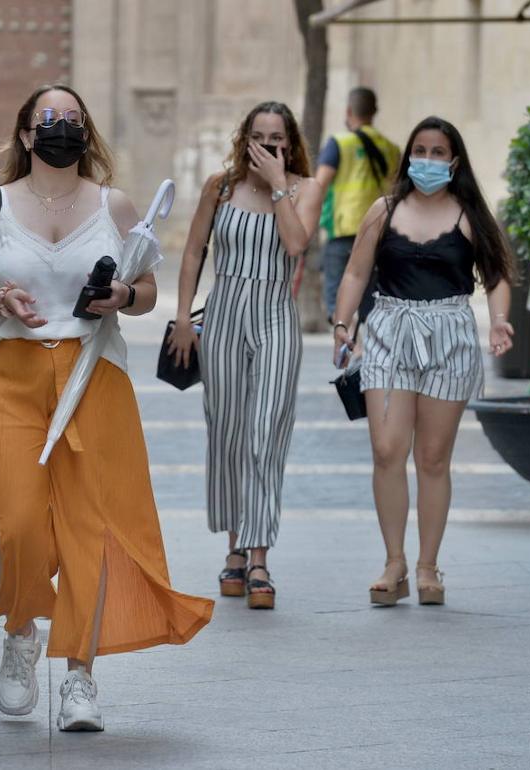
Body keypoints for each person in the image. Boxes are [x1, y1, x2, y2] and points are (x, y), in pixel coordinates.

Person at [0, 84, 214, 732]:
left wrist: (123, 293)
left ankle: (80, 677)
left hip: (95, 372)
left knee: (90, 529)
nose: (62, 127)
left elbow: (147, 288)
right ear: (25, 134)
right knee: (14, 519)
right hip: (13, 372)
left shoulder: (113, 203)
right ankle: (21, 632)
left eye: (73, 118)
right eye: (50, 118)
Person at [333, 116, 515, 607]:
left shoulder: (471, 215)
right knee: (387, 450)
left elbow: (497, 275)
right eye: (421, 150)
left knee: (433, 458)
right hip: (389, 331)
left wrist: (498, 320)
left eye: (438, 152)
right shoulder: (383, 210)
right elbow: (355, 272)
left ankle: (428, 566)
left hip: (450, 335)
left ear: (454, 162)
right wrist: (343, 324)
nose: (428, 161)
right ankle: (394, 563)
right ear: (407, 156)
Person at [167, 102, 324, 609]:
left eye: (276, 139)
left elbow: (296, 244)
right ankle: (234, 550)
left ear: (289, 143)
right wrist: (184, 319)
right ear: (244, 140)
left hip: (276, 315)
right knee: (229, 432)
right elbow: (193, 251)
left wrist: (279, 184)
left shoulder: (305, 188)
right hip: (224, 314)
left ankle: (259, 557)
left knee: (265, 433)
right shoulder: (221, 186)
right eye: (257, 137)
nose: (266, 147)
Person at [314, 87, 401, 325]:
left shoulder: (339, 143)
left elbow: (319, 185)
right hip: (380, 233)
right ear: (375, 111)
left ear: (348, 111)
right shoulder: (391, 148)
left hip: (343, 231)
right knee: (370, 302)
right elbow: (399, 191)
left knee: (336, 299)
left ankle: (352, 349)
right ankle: (364, 351)